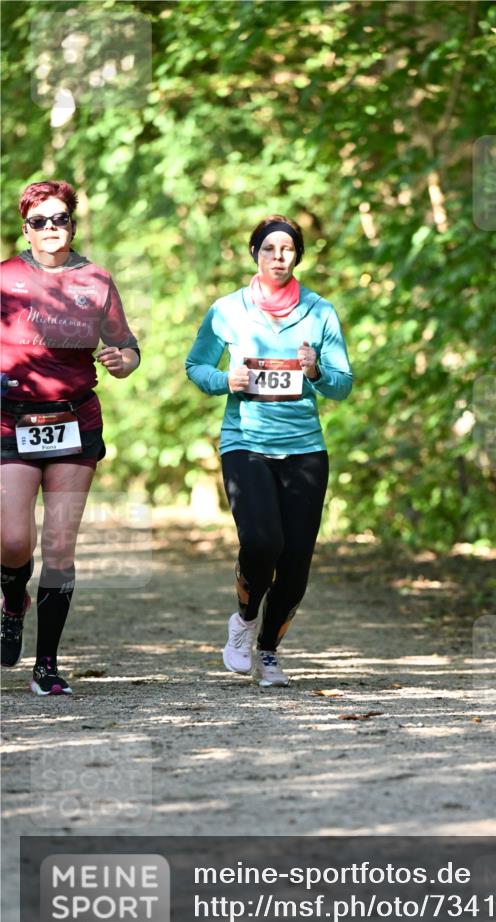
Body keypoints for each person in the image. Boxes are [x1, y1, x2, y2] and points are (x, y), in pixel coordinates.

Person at [186, 214, 352, 688]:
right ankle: (243, 620)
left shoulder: (320, 312)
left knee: (296, 564)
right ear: (254, 254)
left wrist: (316, 372)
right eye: (269, 249)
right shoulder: (227, 310)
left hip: (305, 450)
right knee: (262, 544)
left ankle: (269, 652)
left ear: (298, 255)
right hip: (246, 443)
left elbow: (343, 385)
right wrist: (225, 379)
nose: (279, 257)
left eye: (288, 249)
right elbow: (196, 365)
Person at [0, 180, 140, 694]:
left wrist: (123, 360)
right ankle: (13, 600)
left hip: (74, 422)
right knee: (13, 541)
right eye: (39, 221)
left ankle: (47, 666)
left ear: (72, 225)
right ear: (26, 229)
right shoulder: (5, 278)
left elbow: (127, 347)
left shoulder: (96, 280)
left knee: (59, 547)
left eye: (59, 218)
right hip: (11, 422)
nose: (50, 228)